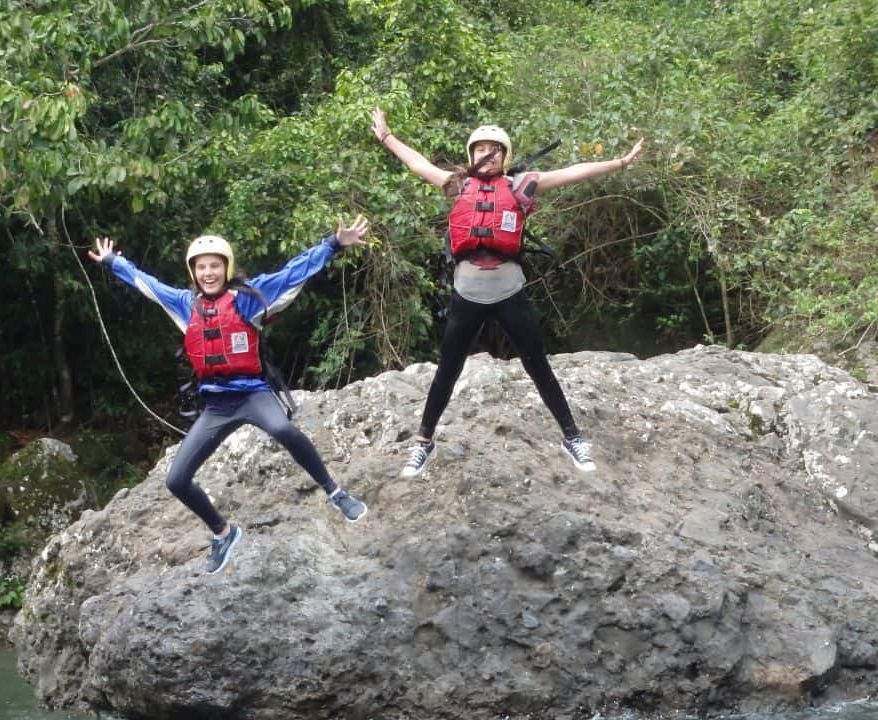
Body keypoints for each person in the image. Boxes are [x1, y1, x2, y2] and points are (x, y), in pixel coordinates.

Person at [88, 216, 371, 574]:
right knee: (176, 481)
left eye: (215, 266)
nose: (209, 273)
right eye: (202, 267)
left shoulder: (248, 300)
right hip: (217, 405)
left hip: (253, 393)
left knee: (283, 430)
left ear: (226, 268)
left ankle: (335, 492)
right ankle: (223, 533)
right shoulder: (184, 304)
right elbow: (147, 284)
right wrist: (114, 263)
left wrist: (332, 244)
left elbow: (293, 272)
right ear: (193, 273)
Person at [371, 108, 643, 476]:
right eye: (481, 148)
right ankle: (423, 442)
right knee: (447, 370)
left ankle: (572, 437)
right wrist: (387, 137)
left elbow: (573, 172)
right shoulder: (458, 185)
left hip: (509, 290)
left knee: (538, 366)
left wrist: (620, 163)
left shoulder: (520, 186)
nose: (488, 154)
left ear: (505, 155)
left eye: (495, 149)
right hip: (467, 292)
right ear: (471, 156)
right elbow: (418, 164)